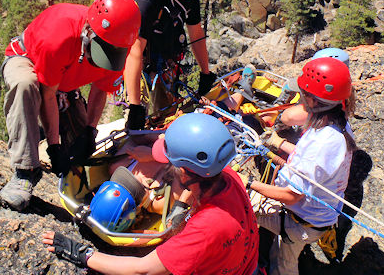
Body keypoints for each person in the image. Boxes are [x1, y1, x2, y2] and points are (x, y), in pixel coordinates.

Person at [42, 113, 259, 275]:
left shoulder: (206, 228)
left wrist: (82, 254)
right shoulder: (228, 177)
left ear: (183, 172)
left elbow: (142, 269)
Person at [0, 0, 141, 211]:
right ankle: (25, 172)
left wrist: (89, 132)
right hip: (29, 59)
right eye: (98, 51)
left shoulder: (117, 44)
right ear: (89, 33)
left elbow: (99, 92)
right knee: (26, 85)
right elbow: (47, 95)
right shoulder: (58, 36)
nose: (101, 61)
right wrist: (54, 146)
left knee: (77, 155)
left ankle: (49, 139)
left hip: (63, 81)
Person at [244, 57, 355, 275]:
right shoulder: (337, 125)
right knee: (282, 252)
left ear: (314, 101)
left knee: (283, 263)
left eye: (304, 93)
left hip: (301, 221)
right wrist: (279, 143)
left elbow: (291, 195)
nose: (301, 97)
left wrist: (249, 184)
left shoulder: (322, 141)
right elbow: (315, 164)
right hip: (314, 216)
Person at [124, 0, 217, 130]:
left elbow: (196, 33)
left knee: (166, 118)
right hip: (138, 63)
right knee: (140, 124)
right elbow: (134, 52)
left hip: (165, 62)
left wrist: (205, 73)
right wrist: (134, 106)